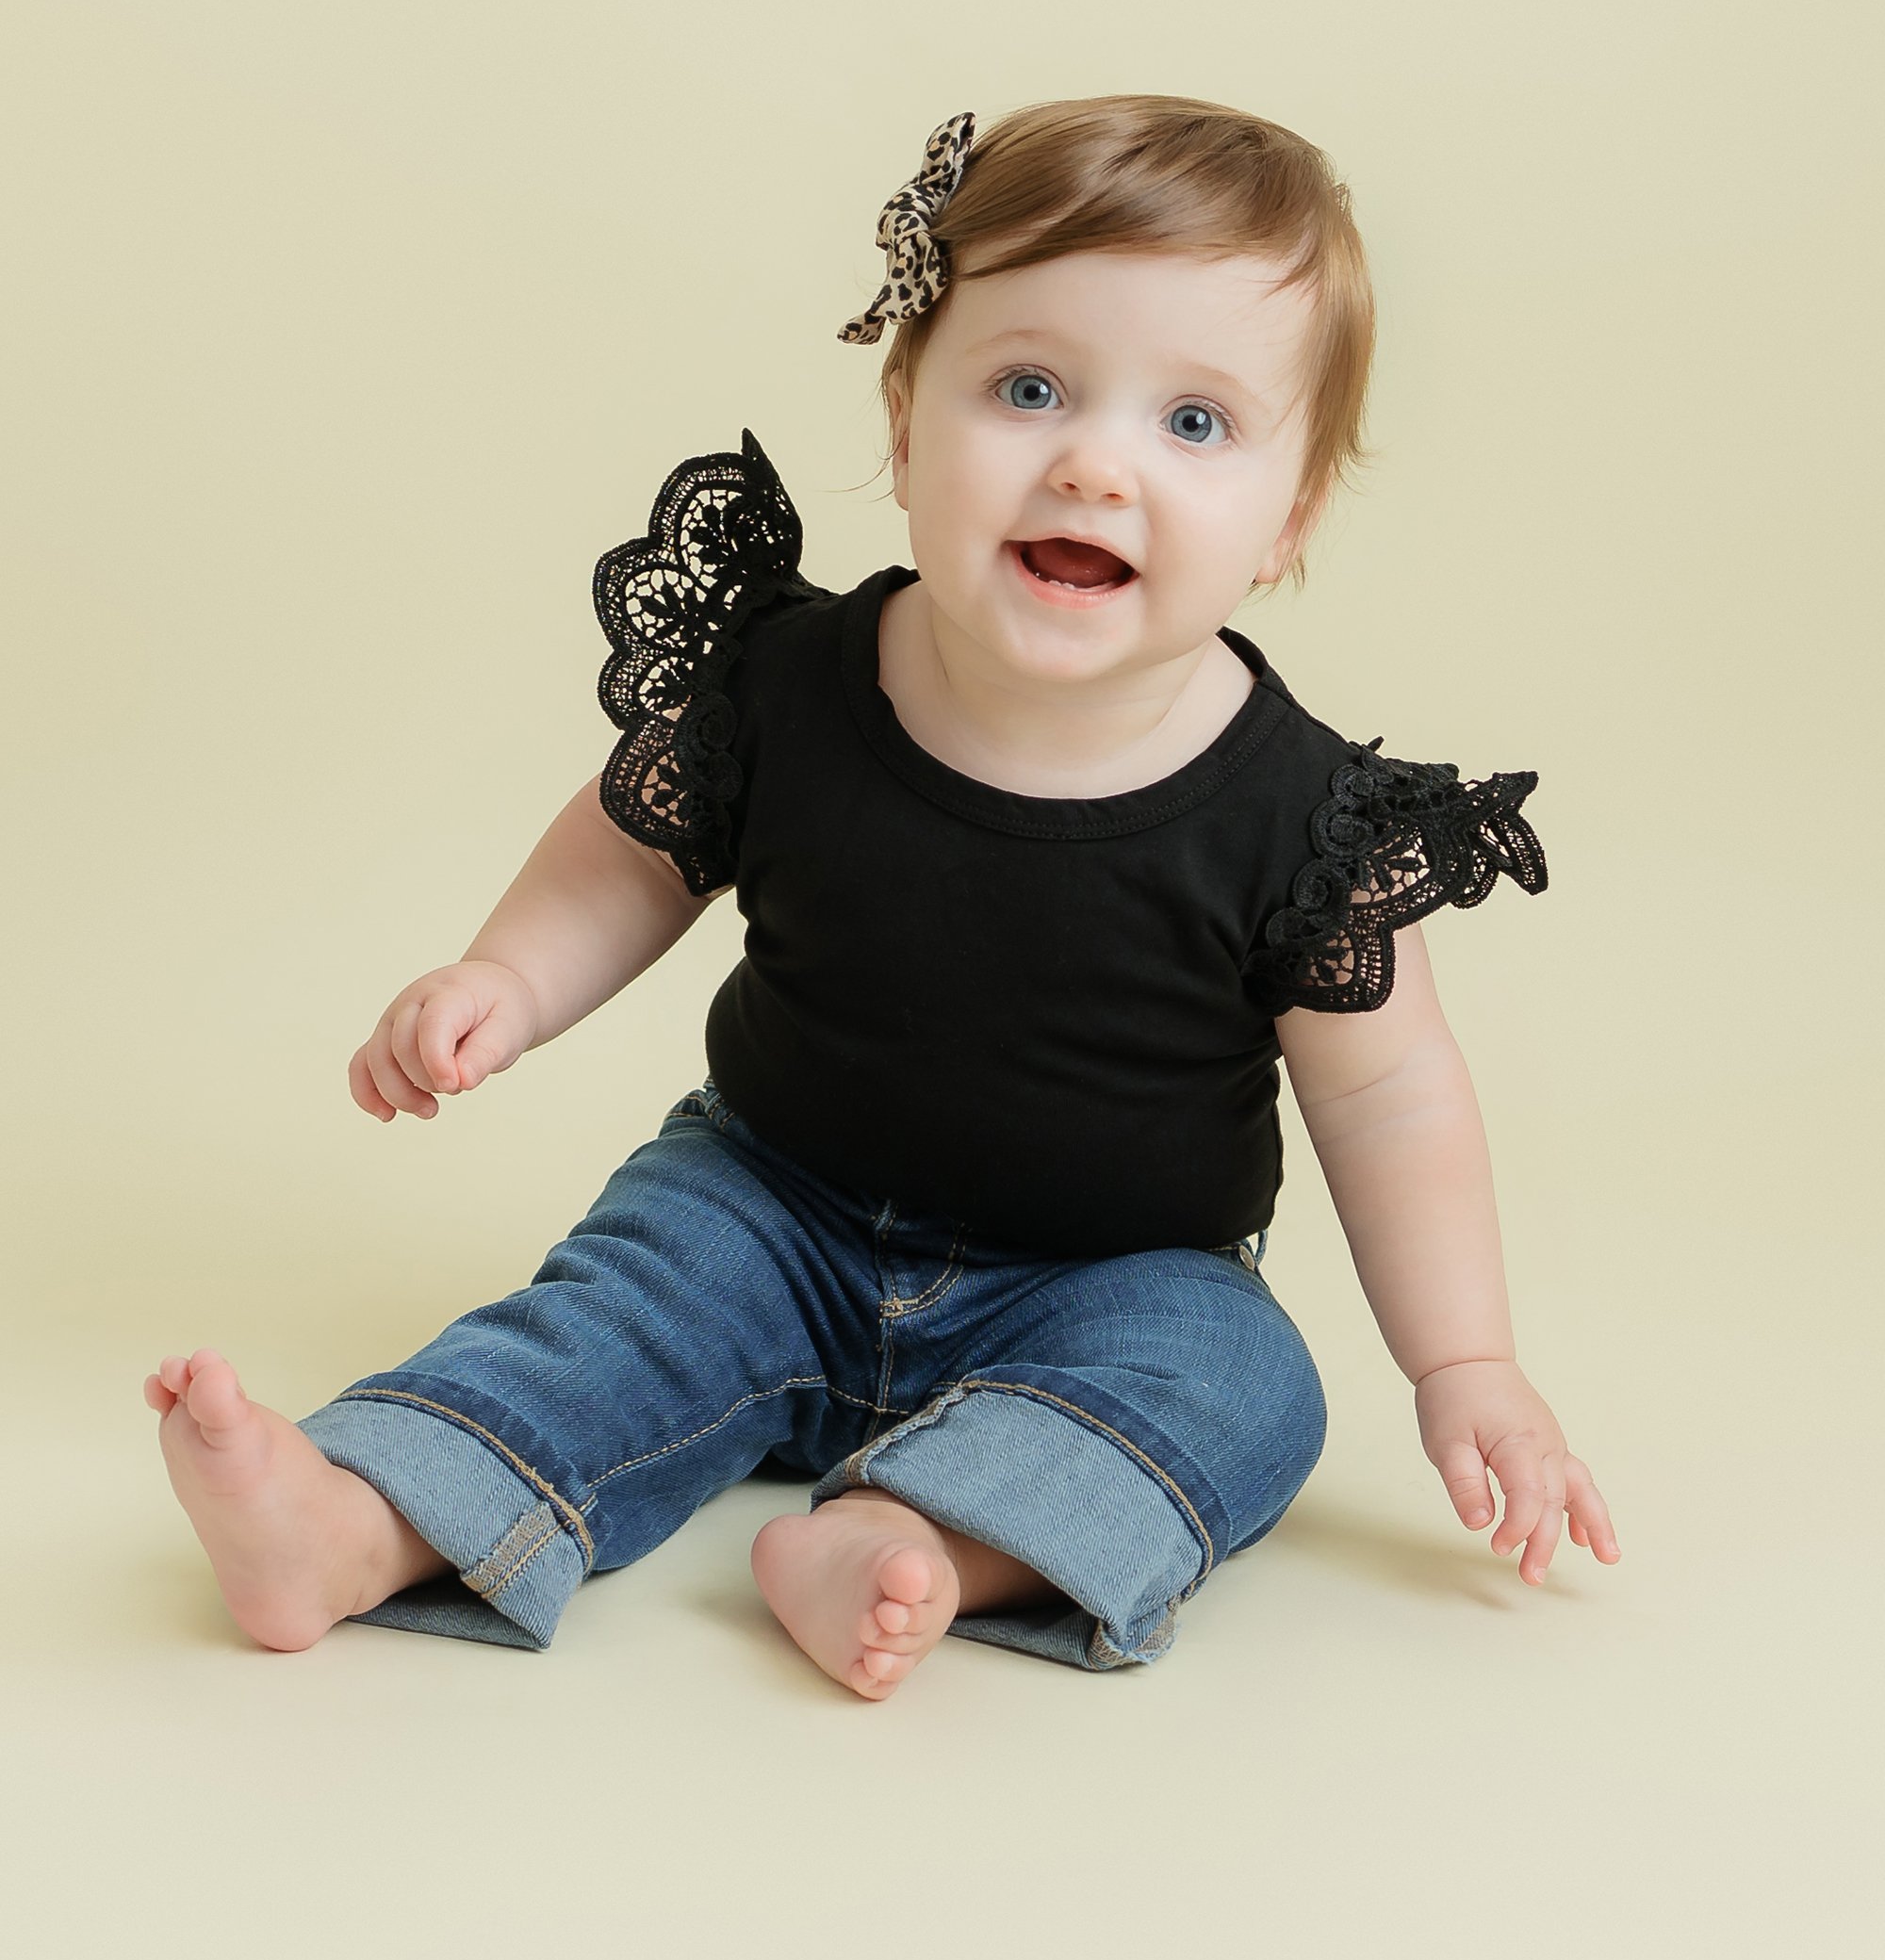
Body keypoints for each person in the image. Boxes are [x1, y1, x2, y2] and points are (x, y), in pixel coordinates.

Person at [146, 94, 1620, 1697]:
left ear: (1292, 519)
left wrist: (1466, 1361)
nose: (1093, 465)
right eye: (1030, 387)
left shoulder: (1300, 815)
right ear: (908, 418)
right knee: (608, 1319)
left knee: (1250, 1381)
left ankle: (923, 1534)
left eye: (1194, 425)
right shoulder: (791, 679)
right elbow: (633, 847)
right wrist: (505, 978)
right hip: (768, 1202)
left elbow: (1394, 1094)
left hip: (1111, 1277)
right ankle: (353, 1519)